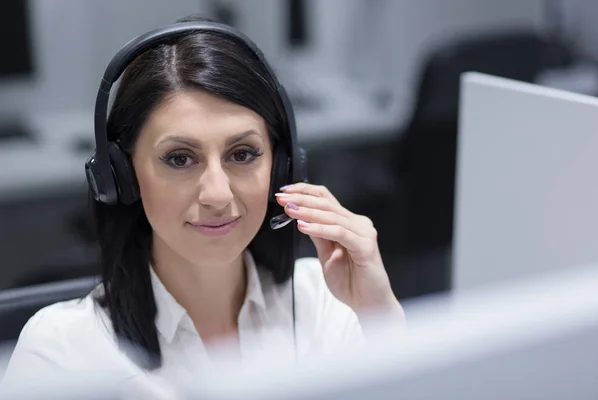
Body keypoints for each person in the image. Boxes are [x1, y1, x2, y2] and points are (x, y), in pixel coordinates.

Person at [1, 15, 404, 394]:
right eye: (179, 158)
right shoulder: (61, 353)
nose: (218, 195)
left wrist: (379, 315)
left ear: (281, 167)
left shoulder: (329, 305)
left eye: (243, 154)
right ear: (122, 175)